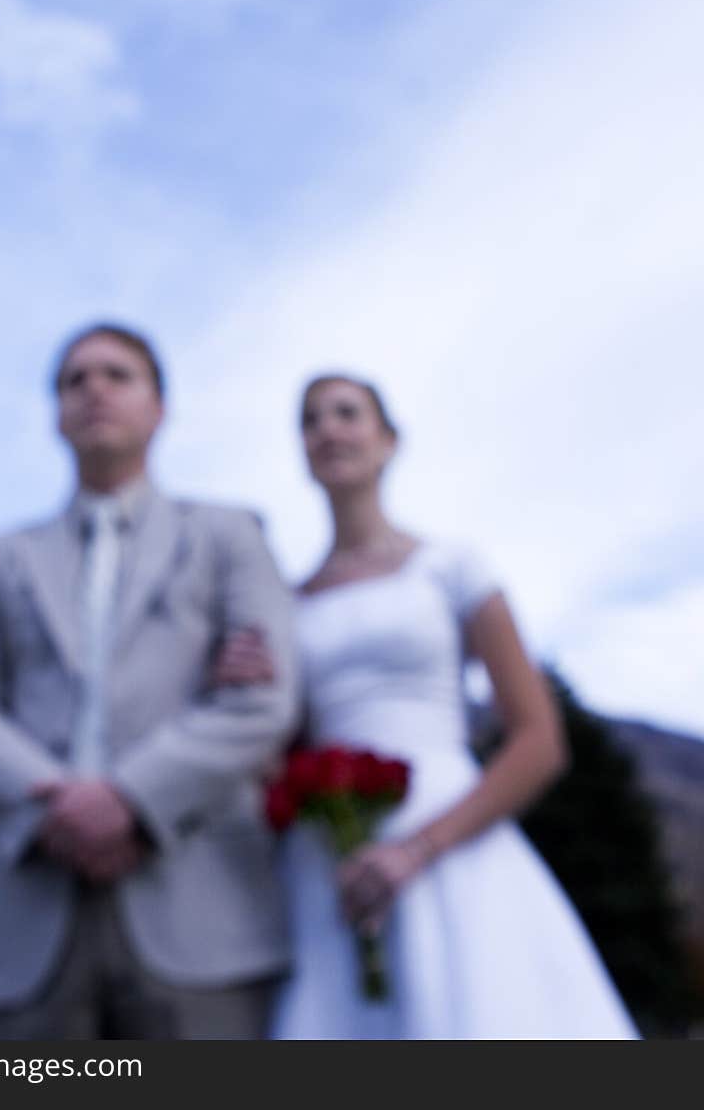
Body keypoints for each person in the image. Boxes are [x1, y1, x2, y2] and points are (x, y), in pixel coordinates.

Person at [213, 372, 639, 1040]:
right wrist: (240, 687)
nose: (328, 429)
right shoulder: (287, 604)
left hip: (452, 834)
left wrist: (418, 849)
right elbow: (277, 758)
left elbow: (538, 738)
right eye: (312, 419)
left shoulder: (451, 567)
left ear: (387, 441)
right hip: (331, 856)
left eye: (347, 413)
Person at [0, 322, 299, 1040]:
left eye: (117, 374)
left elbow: (261, 699)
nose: (94, 388)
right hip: (28, 916)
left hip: (202, 914)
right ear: (56, 412)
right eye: (73, 379)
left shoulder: (229, 537)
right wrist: (55, 806)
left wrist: (133, 798)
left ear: (159, 406)